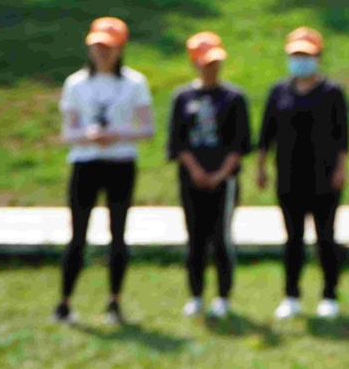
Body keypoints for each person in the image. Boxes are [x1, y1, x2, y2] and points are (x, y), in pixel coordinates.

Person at [53, 17, 155, 325]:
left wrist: (116, 135)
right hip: (85, 162)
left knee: (118, 233)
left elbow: (147, 129)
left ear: (120, 49)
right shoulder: (76, 84)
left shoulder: (134, 83)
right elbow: (67, 132)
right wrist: (88, 136)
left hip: (120, 163)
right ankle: (65, 302)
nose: (101, 52)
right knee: (77, 234)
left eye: (108, 47)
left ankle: (114, 301)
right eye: (97, 46)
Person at [256, 27, 349, 320]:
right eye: (296, 55)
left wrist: (341, 168)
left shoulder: (332, 93)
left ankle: (329, 295)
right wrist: (261, 167)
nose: (300, 61)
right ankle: (291, 296)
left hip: (324, 177)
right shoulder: (279, 92)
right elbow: (266, 134)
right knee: (293, 239)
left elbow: (343, 136)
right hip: (289, 177)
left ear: (318, 57)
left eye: (306, 55)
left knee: (325, 237)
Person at [167, 32, 252, 319]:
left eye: (216, 63)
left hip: (224, 180)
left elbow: (240, 143)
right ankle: (195, 295)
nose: (212, 68)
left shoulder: (234, 98)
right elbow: (177, 142)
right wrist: (195, 170)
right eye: (206, 63)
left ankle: (223, 297)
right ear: (195, 63)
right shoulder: (183, 98)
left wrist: (220, 174)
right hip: (191, 178)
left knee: (221, 237)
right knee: (195, 238)